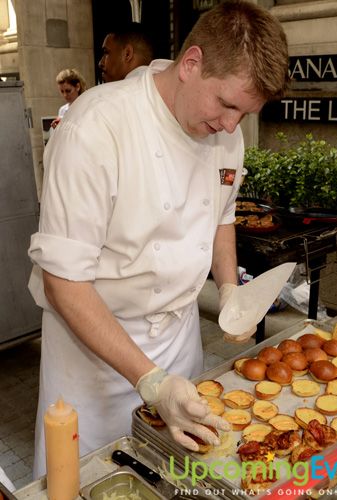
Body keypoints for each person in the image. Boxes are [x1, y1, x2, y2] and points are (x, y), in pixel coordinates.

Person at [28, 0, 289, 479]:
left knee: (176, 480)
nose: (232, 126)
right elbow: (63, 280)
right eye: (228, 105)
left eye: (245, 114)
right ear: (191, 64)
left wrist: (229, 288)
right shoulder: (96, 128)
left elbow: (221, 216)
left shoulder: (227, 136)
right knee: (90, 481)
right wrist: (149, 380)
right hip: (94, 363)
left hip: (178, 348)